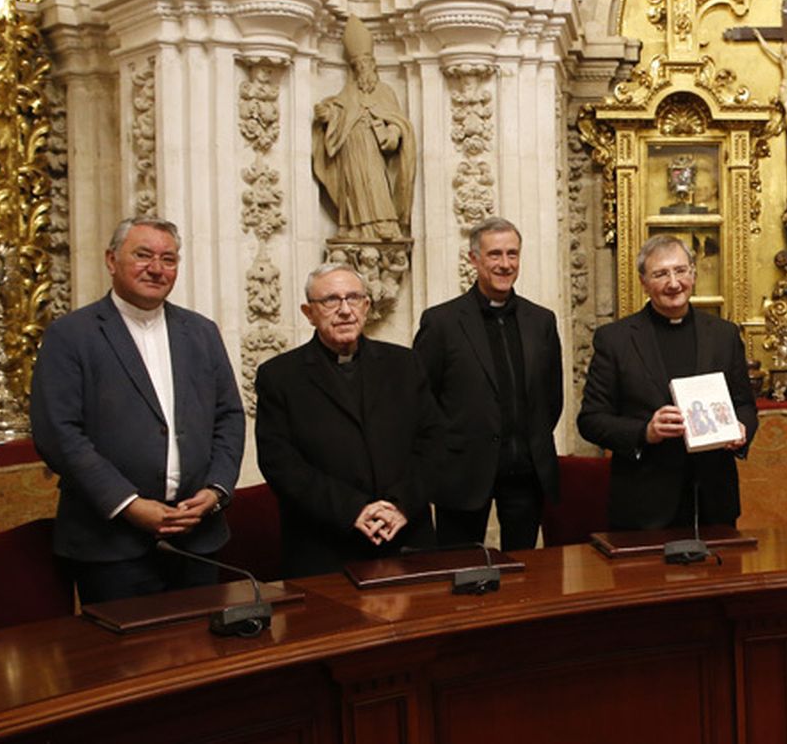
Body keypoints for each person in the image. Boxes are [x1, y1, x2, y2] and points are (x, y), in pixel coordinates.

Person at [29, 216, 244, 604]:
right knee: (127, 663)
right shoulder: (71, 335)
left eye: (169, 259)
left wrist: (215, 489)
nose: (157, 269)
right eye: (143, 255)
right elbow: (59, 434)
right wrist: (128, 504)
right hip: (110, 545)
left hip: (197, 537)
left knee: (206, 656)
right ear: (112, 260)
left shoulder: (201, 332)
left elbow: (229, 416)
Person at [255, 264, 442, 577]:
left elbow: (435, 442)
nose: (344, 310)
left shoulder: (405, 363)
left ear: (367, 306)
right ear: (308, 312)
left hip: (406, 539)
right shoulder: (280, 376)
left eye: (353, 298)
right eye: (330, 300)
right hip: (325, 547)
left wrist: (401, 505)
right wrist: (352, 510)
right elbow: (281, 463)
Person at [577, 235, 757, 530]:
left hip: (714, 501)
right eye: (661, 274)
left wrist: (741, 428)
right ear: (643, 282)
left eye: (681, 271)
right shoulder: (616, 340)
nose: (674, 283)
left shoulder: (724, 335)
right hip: (644, 504)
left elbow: (745, 405)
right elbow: (591, 420)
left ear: (693, 274)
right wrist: (645, 431)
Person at [414, 218, 562, 550]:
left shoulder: (541, 321)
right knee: (458, 571)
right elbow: (422, 400)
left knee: (525, 574)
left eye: (513, 254)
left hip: (526, 474)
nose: (505, 264)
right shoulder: (441, 323)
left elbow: (551, 399)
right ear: (474, 259)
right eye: (495, 254)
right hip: (462, 473)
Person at [312, 15, 417, 241]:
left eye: (365, 64)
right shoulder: (348, 92)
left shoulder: (385, 92)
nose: (362, 70)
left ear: (373, 66)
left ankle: (384, 224)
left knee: (376, 184)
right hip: (350, 148)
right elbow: (337, 110)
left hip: (372, 149)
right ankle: (354, 227)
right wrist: (327, 115)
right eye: (357, 66)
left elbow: (398, 123)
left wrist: (391, 134)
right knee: (353, 187)